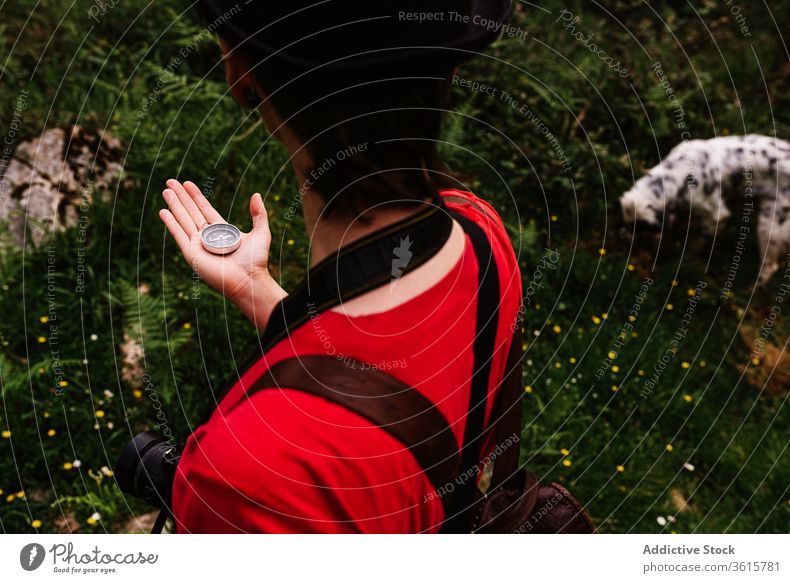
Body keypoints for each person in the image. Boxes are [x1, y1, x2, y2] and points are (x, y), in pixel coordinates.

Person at [159, 0, 522, 533]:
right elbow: (396, 379)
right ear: (449, 73)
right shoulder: (481, 232)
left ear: (239, 74)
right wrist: (256, 290)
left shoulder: (256, 476)